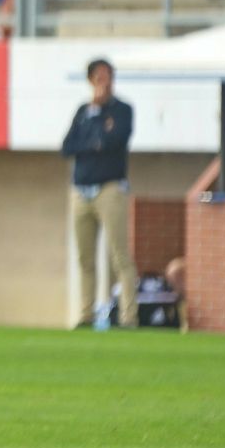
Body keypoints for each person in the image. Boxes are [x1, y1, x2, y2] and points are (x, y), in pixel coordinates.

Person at [61, 57, 138, 330]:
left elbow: (115, 140)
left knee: (119, 256)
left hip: (110, 188)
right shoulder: (84, 111)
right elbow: (68, 146)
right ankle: (85, 314)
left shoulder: (122, 110)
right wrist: (94, 137)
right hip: (81, 190)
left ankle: (129, 317)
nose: (104, 82)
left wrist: (96, 140)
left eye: (108, 76)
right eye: (99, 76)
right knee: (85, 257)